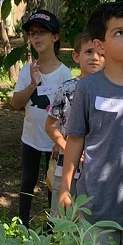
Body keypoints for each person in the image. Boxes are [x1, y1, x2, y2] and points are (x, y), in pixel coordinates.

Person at [59, 1, 123, 245]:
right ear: (99, 45)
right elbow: (75, 140)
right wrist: (65, 188)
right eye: (119, 32)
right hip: (97, 203)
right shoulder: (87, 88)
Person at [11, 10, 72, 227]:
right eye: (32, 33)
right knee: (27, 181)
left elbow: (68, 112)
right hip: (30, 138)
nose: (36, 37)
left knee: (52, 184)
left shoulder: (65, 74)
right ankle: (22, 225)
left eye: (42, 32)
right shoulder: (28, 70)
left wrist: (61, 142)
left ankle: (51, 229)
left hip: (54, 142)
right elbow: (16, 104)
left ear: (55, 37)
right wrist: (33, 83)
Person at [45, 32, 104, 216]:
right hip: (66, 167)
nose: (95, 57)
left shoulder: (109, 89)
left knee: (90, 225)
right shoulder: (67, 88)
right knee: (62, 220)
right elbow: (50, 125)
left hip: (97, 170)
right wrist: (68, 148)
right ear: (76, 56)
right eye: (88, 52)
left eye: (100, 53)